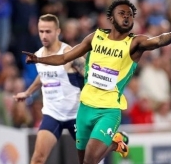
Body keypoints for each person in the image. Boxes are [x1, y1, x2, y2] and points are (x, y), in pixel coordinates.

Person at [23, 0, 171, 164]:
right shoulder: (96, 37)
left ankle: (114, 142)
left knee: (90, 159)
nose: (126, 17)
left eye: (130, 15)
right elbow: (65, 57)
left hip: (109, 111)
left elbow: (157, 40)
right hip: (85, 108)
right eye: (122, 13)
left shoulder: (134, 43)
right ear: (111, 18)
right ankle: (116, 143)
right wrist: (39, 59)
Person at [13, 14, 127, 164]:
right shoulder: (38, 55)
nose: (44, 36)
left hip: (76, 114)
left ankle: (115, 142)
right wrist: (28, 92)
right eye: (41, 31)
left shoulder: (70, 54)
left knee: (91, 160)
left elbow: (92, 76)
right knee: (37, 159)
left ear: (58, 32)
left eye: (48, 31)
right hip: (52, 114)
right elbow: (43, 76)